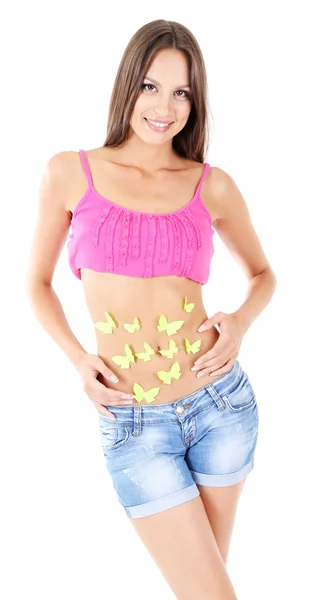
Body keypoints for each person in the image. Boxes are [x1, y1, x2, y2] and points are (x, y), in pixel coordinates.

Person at [26, 19, 276, 600]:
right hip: (135, 426)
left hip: (221, 407)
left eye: (182, 91)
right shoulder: (71, 172)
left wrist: (238, 322)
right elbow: (35, 283)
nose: (165, 106)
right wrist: (77, 359)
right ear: (128, 85)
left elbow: (265, 276)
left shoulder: (211, 185)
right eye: (151, 86)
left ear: (195, 101)